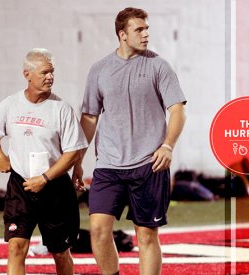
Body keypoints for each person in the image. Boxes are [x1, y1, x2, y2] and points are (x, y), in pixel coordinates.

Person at [72, 7, 187, 275]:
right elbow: (89, 117)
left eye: (147, 28)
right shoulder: (99, 69)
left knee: (146, 236)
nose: (146, 34)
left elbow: (178, 111)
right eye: (139, 29)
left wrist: (168, 145)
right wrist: (78, 160)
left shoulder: (159, 65)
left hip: (149, 164)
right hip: (109, 165)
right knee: (99, 230)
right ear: (122, 34)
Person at [0, 48, 88, 275]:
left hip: (55, 189)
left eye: (52, 72)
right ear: (27, 74)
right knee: (16, 247)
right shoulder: (10, 104)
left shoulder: (61, 109)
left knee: (60, 251)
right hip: (20, 187)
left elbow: (72, 153)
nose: (50, 77)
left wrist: (45, 178)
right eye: (44, 72)